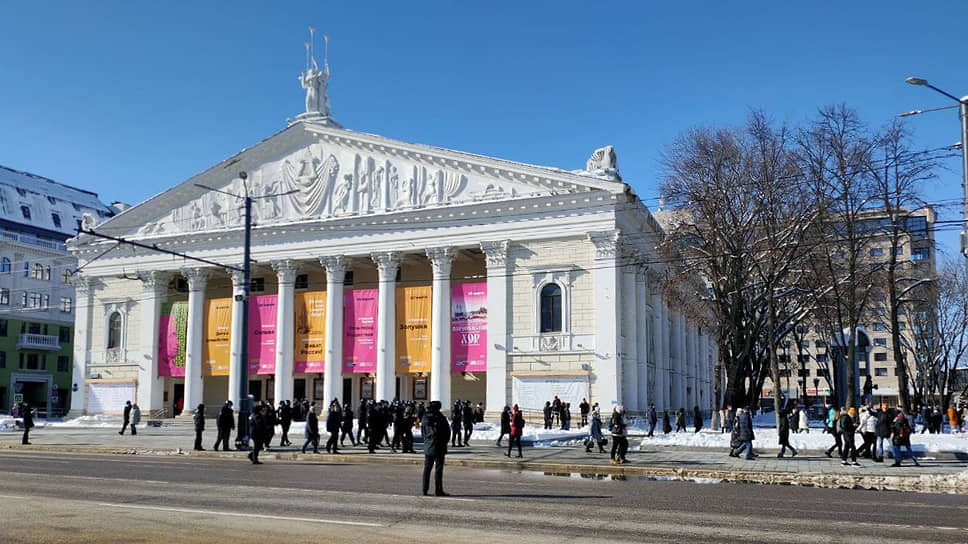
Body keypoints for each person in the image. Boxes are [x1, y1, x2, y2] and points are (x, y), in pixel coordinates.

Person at [421, 400, 450, 496]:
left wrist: (427, 441)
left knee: (427, 469)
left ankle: (424, 489)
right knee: (438, 470)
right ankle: (438, 490)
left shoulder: (425, 417)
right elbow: (447, 432)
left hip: (428, 446)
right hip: (439, 446)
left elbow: (423, 432)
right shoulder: (440, 417)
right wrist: (444, 442)